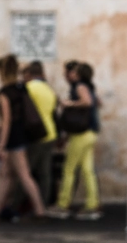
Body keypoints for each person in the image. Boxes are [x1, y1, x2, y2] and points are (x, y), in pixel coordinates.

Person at [0, 53, 47, 222]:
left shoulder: (5, 92)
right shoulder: (21, 88)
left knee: (24, 175)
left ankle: (40, 212)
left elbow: (6, 121)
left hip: (14, 138)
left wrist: (1, 145)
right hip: (21, 134)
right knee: (8, 175)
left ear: (2, 72)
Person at [51, 61, 101, 221]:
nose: (67, 75)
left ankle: (62, 205)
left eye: (70, 72)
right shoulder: (89, 86)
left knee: (69, 169)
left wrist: (69, 103)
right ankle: (92, 205)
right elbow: (97, 103)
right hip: (90, 132)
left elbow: (88, 102)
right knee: (87, 170)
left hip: (81, 134)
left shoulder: (79, 86)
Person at [22, 60, 58, 207]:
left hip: (35, 134)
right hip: (50, 133)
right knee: (45, 173)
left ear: (29, 74)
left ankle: (18, 204)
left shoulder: (28, 88)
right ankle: (43, 203)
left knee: (25, 173)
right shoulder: (48, 89)